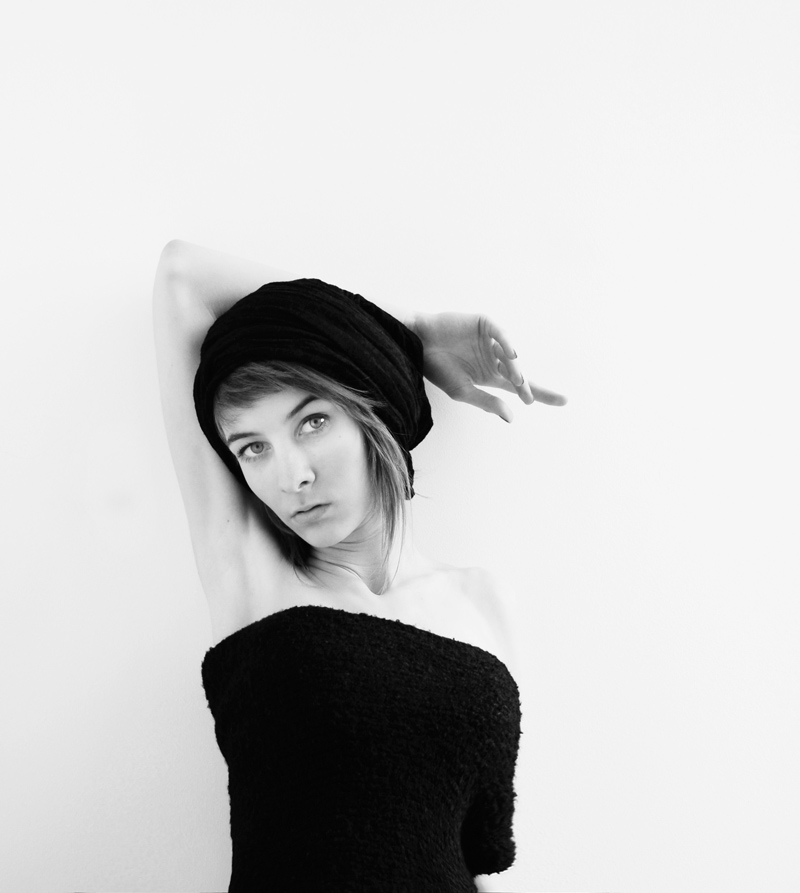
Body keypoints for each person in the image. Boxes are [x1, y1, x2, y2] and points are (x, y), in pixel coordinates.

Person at [152, 239, 566, 892]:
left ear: (371, 409)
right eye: (253, 447)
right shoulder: (254, 577)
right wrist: (412, 330)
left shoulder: (483, 601)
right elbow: (182, 273)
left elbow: (480, 859)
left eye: (312, 422)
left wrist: (386, 344)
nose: (292, 475)